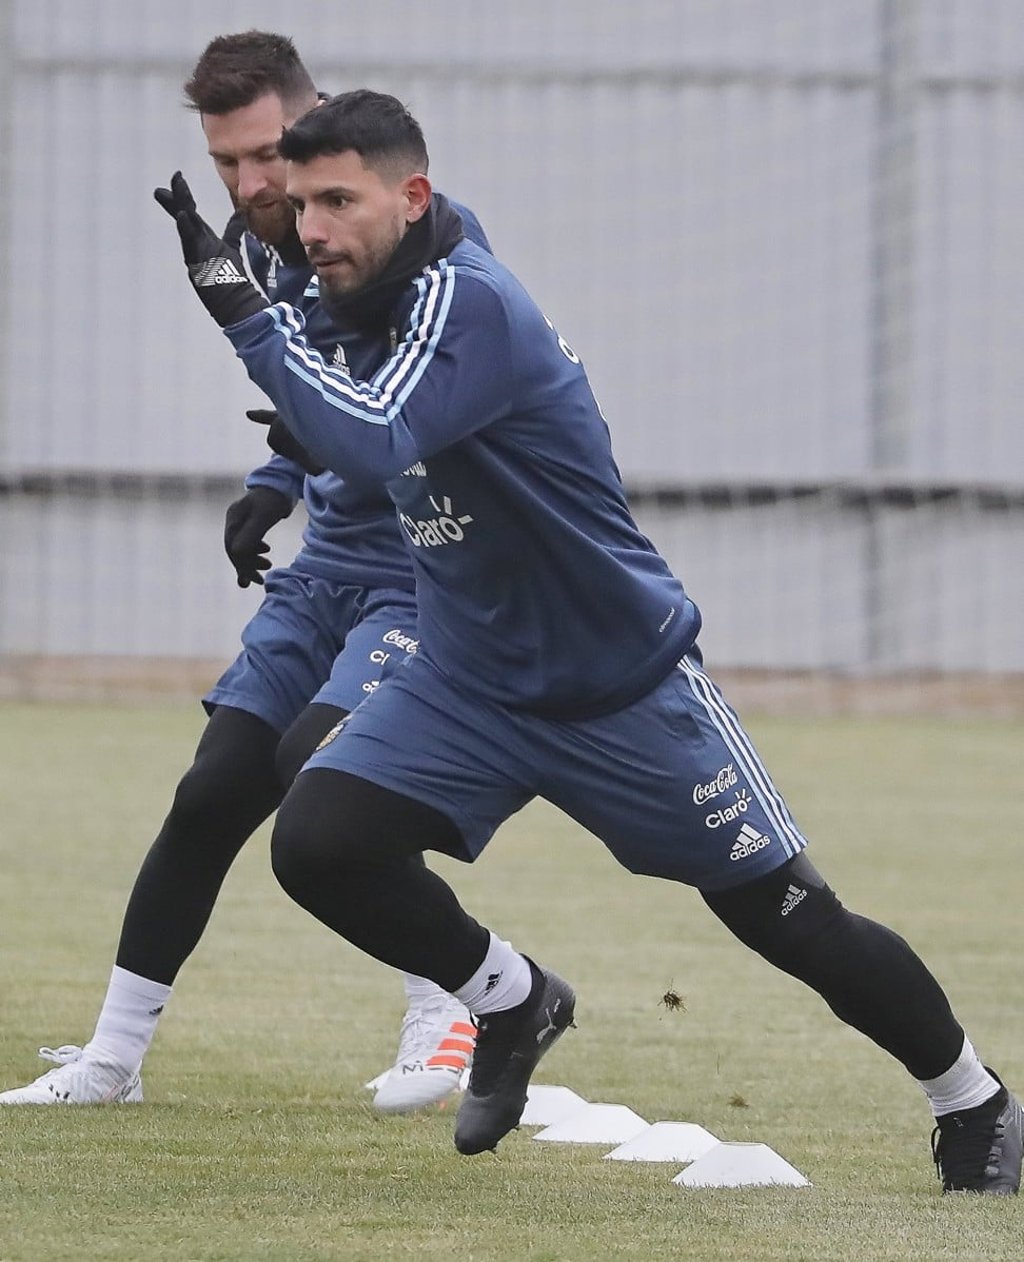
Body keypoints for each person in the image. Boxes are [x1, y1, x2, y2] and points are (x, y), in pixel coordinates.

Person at [156, 88, 1021, 1193]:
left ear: (412, 197)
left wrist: (240, 312)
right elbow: (315, 398)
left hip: (620, 684)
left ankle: (973, 1097)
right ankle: (513, 997)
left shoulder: (466, 301)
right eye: (300, 199)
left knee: (785, 914)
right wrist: (273, 403)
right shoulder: (356, 295)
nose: (312, 225)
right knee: (319, 840)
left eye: (339, 199)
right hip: (466, 677)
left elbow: (371, 437)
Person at [0, 34, 492, 1116]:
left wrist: (306, 432)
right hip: (328, 567)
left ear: (318, 124)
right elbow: (306, 396)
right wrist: (273, 481)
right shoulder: (259, 245)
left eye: (268, 154)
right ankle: (112, 1058)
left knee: (325, 779)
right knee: (213, 789)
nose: (253, 185)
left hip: (422, 576)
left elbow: (391, 411)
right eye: (229, 163)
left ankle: (458, 1001)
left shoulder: (420, 245)